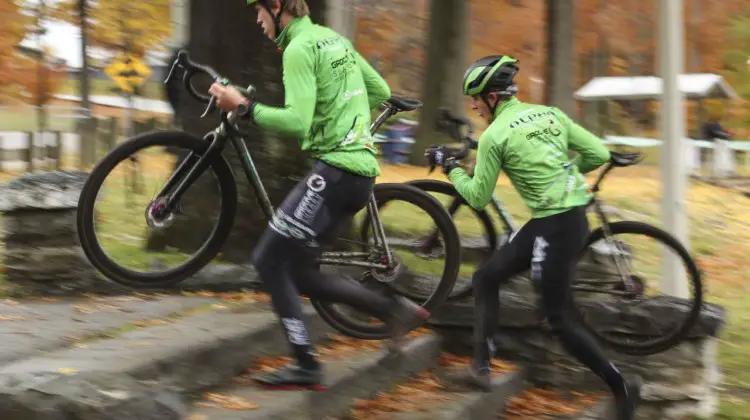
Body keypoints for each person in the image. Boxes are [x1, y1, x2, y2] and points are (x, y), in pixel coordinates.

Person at [207, 0, 429, 391]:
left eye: (260, 12)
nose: (258, 22)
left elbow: (296, 120)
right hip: (359, 177)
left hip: (335, 173)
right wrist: (344, 109)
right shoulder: (332, 39)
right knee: (302, 271)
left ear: (277, 7)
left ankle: (306, 364)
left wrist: (244, 106)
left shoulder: (298, 48)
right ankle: (393, 310)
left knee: (268, 260)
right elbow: (379, 89)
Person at [425, 55, 641, 420]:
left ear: (493, 97)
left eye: (476, 97)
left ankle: (622, 387)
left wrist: (450, 168)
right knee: (486, 277)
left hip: (556, 227)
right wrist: (567, 173)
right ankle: (480, 369)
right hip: (559, 219)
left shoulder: (496, 134)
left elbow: (476, 196)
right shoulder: (550, 113)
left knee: (558, 320)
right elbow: (598, 153)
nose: (473, 105)